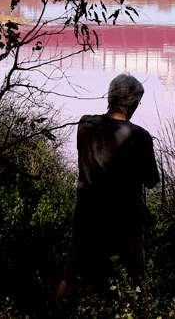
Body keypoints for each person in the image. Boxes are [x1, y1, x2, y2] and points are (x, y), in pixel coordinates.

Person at [56, 73, 160, 302]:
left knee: (71, 274)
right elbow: (152, 180)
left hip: (86, 216)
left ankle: (56, 311)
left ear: (110, 97)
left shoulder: (85, 125)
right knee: (136, 278)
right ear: (132, 103)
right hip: (125, 219)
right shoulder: (139, 137)